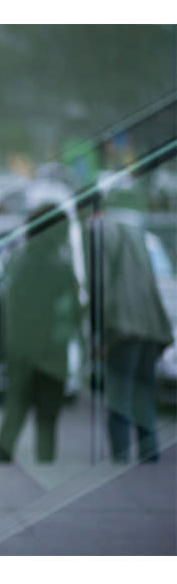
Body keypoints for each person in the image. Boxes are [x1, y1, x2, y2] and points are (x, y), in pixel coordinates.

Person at [0, 203, 83, 463]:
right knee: (47, 420)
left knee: (15, 412)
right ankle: (43, 466)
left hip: (20, 350)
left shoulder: (17, 259)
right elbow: (73, 311)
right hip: (51, 353)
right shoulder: (60, 265)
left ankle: (2, 466)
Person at [93, 188, 173, 463]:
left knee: (119, 393)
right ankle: (148, 452)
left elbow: (100, 284)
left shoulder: (100, 232)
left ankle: (120, 456)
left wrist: (96, 333)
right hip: (151, 325)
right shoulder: (137, 234)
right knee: (143, 392)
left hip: (123, 326)